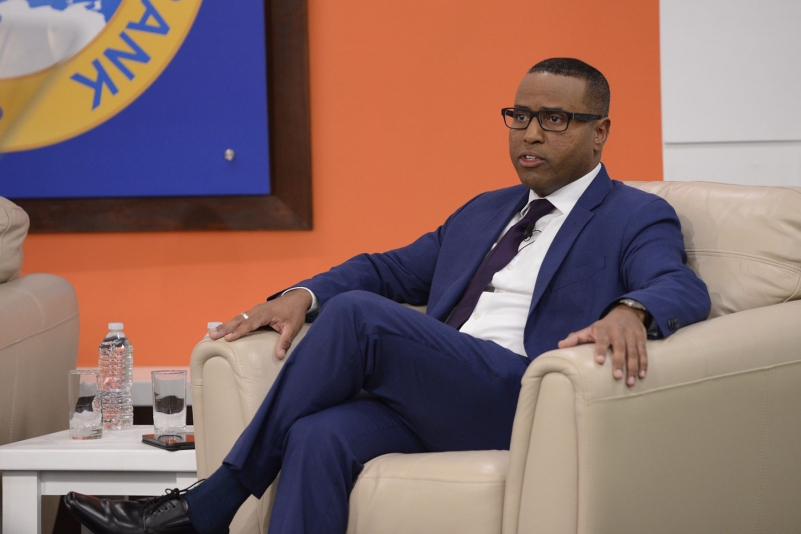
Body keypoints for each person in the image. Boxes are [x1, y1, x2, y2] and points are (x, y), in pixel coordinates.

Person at [65, 58, 711, 534]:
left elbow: (678, 283)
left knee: (358, 319)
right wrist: (302, 293)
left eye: (554, 119)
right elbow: (386, 269)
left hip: (521, 394)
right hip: (441, 388)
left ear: (600, 132)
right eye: (518, 116)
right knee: (318, 436)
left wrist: (633, 309)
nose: (529, 134)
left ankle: (210, 504)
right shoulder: (486, 211)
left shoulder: (632, 214)